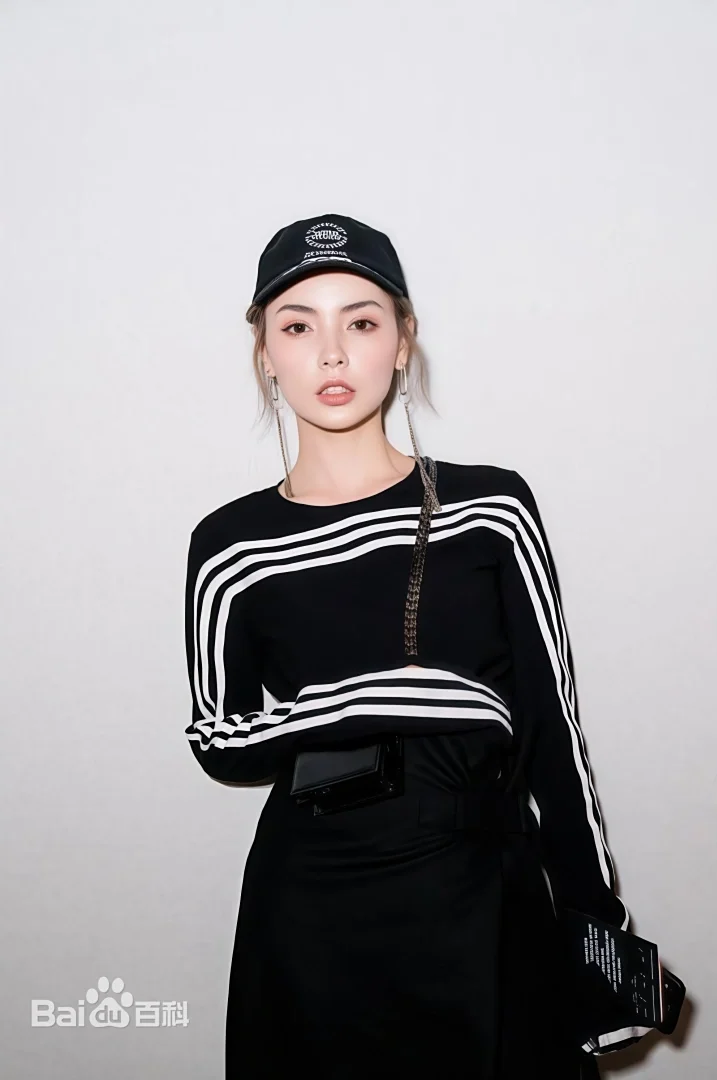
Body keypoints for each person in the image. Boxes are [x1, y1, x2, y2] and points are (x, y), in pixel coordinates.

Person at [183, 214, 649, 1079]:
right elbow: (219, 738)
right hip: (314, 904)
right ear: (265, 354)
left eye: (360, 322)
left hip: (482, 887)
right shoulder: (230, 543)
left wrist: (599, 935)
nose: (331, 354)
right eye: (298, 326)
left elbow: (553, 735)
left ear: (401, 342)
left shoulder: (492, 508)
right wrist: (378, 699)